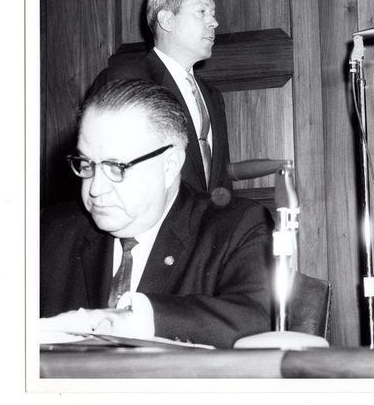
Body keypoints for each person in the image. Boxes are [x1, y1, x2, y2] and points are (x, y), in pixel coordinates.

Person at [40, 78, 273, 348]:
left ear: (170, 165)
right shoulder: (47, 230)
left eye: (116, 167)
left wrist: (134, 321)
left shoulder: (237, 227)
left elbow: (259, 321)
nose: (94, 189)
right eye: (86, 164)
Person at [90, 0, 230, 193]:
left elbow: (220, 183)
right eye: (201, 12)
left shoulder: (212, 96)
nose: (214, 22)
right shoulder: (125, 81)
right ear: (166, 20)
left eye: (212, 14)